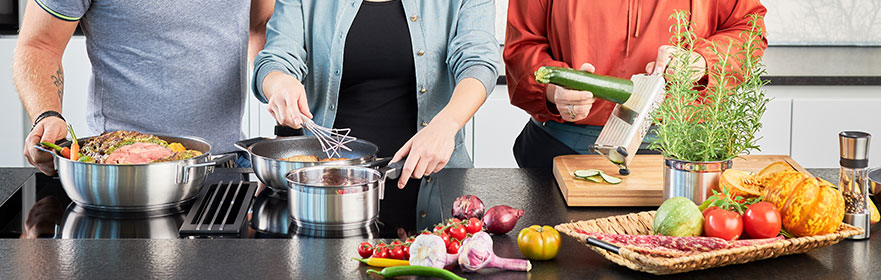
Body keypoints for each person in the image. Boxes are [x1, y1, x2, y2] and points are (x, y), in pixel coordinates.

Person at [253, 0, 500, 230]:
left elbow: (479, 60)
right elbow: (276, 57)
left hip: (436, 192)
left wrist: (447, 124)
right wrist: (279, 83)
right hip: (325, 201)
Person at [16, 0, 275, 175]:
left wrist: (276, 85)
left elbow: (260, 24)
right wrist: (47, 115)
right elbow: (40, 45)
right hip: (122, 176)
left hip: (226, 167)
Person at [504, 0, 768, 168]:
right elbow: (522, 47)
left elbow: (749, 29)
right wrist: (553, 89)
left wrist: (701, 61)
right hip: (562, 148)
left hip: (684, 153)